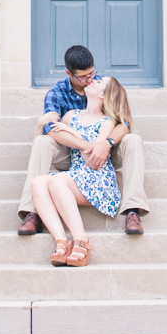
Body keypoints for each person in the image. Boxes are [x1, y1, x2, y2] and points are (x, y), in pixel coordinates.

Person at [17, 44, 148, 236]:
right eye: (84, 77)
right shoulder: (57, 93)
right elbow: (51, 130)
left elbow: (124, 122)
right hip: (71, 154)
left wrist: (106, 144)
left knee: (133, 140)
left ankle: (133, 210)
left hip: (105, 153)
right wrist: (85, 144)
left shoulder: (100, 83)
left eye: (92, 74)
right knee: (41, 142)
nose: (90, 79)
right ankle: (32, 213)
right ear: (69, 73)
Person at [29, 75, 133, 266]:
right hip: (75, 177)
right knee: (37, 183)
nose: (93, 80)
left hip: (98, 181)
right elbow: (45, 140)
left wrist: (75, 134)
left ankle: (81, 239)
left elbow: (93, 163)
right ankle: (61, 240)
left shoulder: (107, 122)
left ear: (103, 95)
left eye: (100, 82)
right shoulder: (70, 116)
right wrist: (39, 126)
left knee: (56, 180)